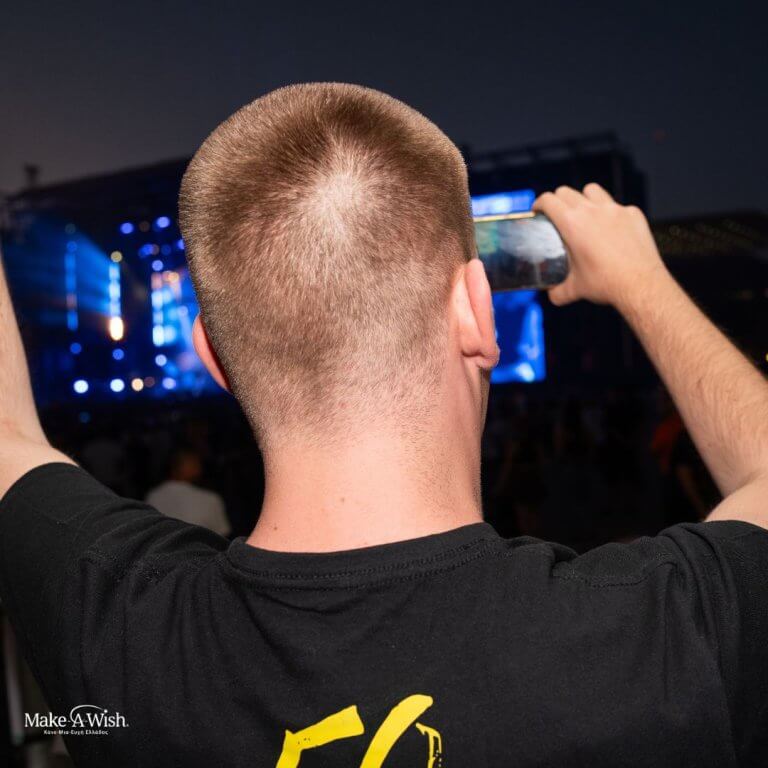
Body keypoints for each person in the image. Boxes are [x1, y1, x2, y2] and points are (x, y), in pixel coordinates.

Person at [0, 84, 766, 767]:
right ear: (477, 312)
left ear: (213, 358)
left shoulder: (120, 628)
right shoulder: (665, 645)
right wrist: (642, 282)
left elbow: (9, 436)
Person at [145, 447, 231, 537]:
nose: (200, 468)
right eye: (197, 464)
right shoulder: (210, 499)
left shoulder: (153, 496)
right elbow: (223, 536)